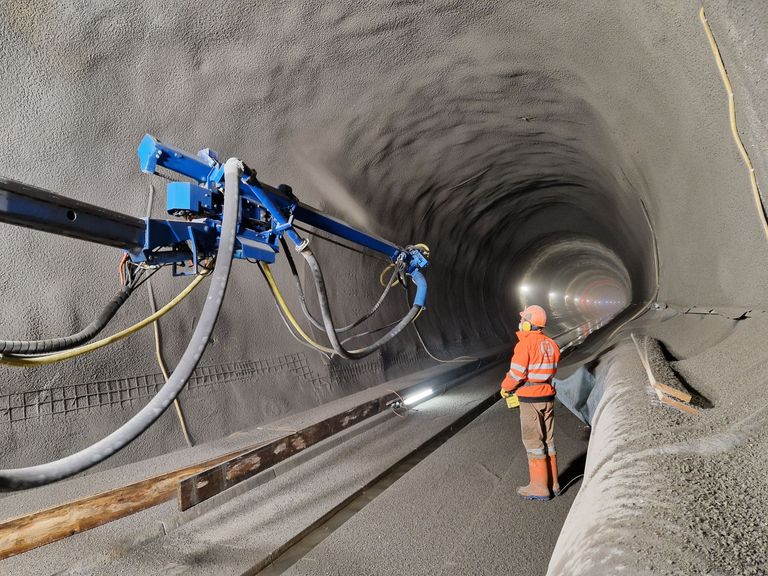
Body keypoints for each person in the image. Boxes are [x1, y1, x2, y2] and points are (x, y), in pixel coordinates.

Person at [500, 304, 561, 500]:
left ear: (528, 325)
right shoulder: (551, 344)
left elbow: (517, 374)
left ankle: (539, 487)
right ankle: (554, 483)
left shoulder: (525, 345)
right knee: (548, 442)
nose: (520, 323)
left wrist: (506, 387)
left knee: (533, 442)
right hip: (548, 396)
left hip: (530, 397)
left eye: (523, 320)